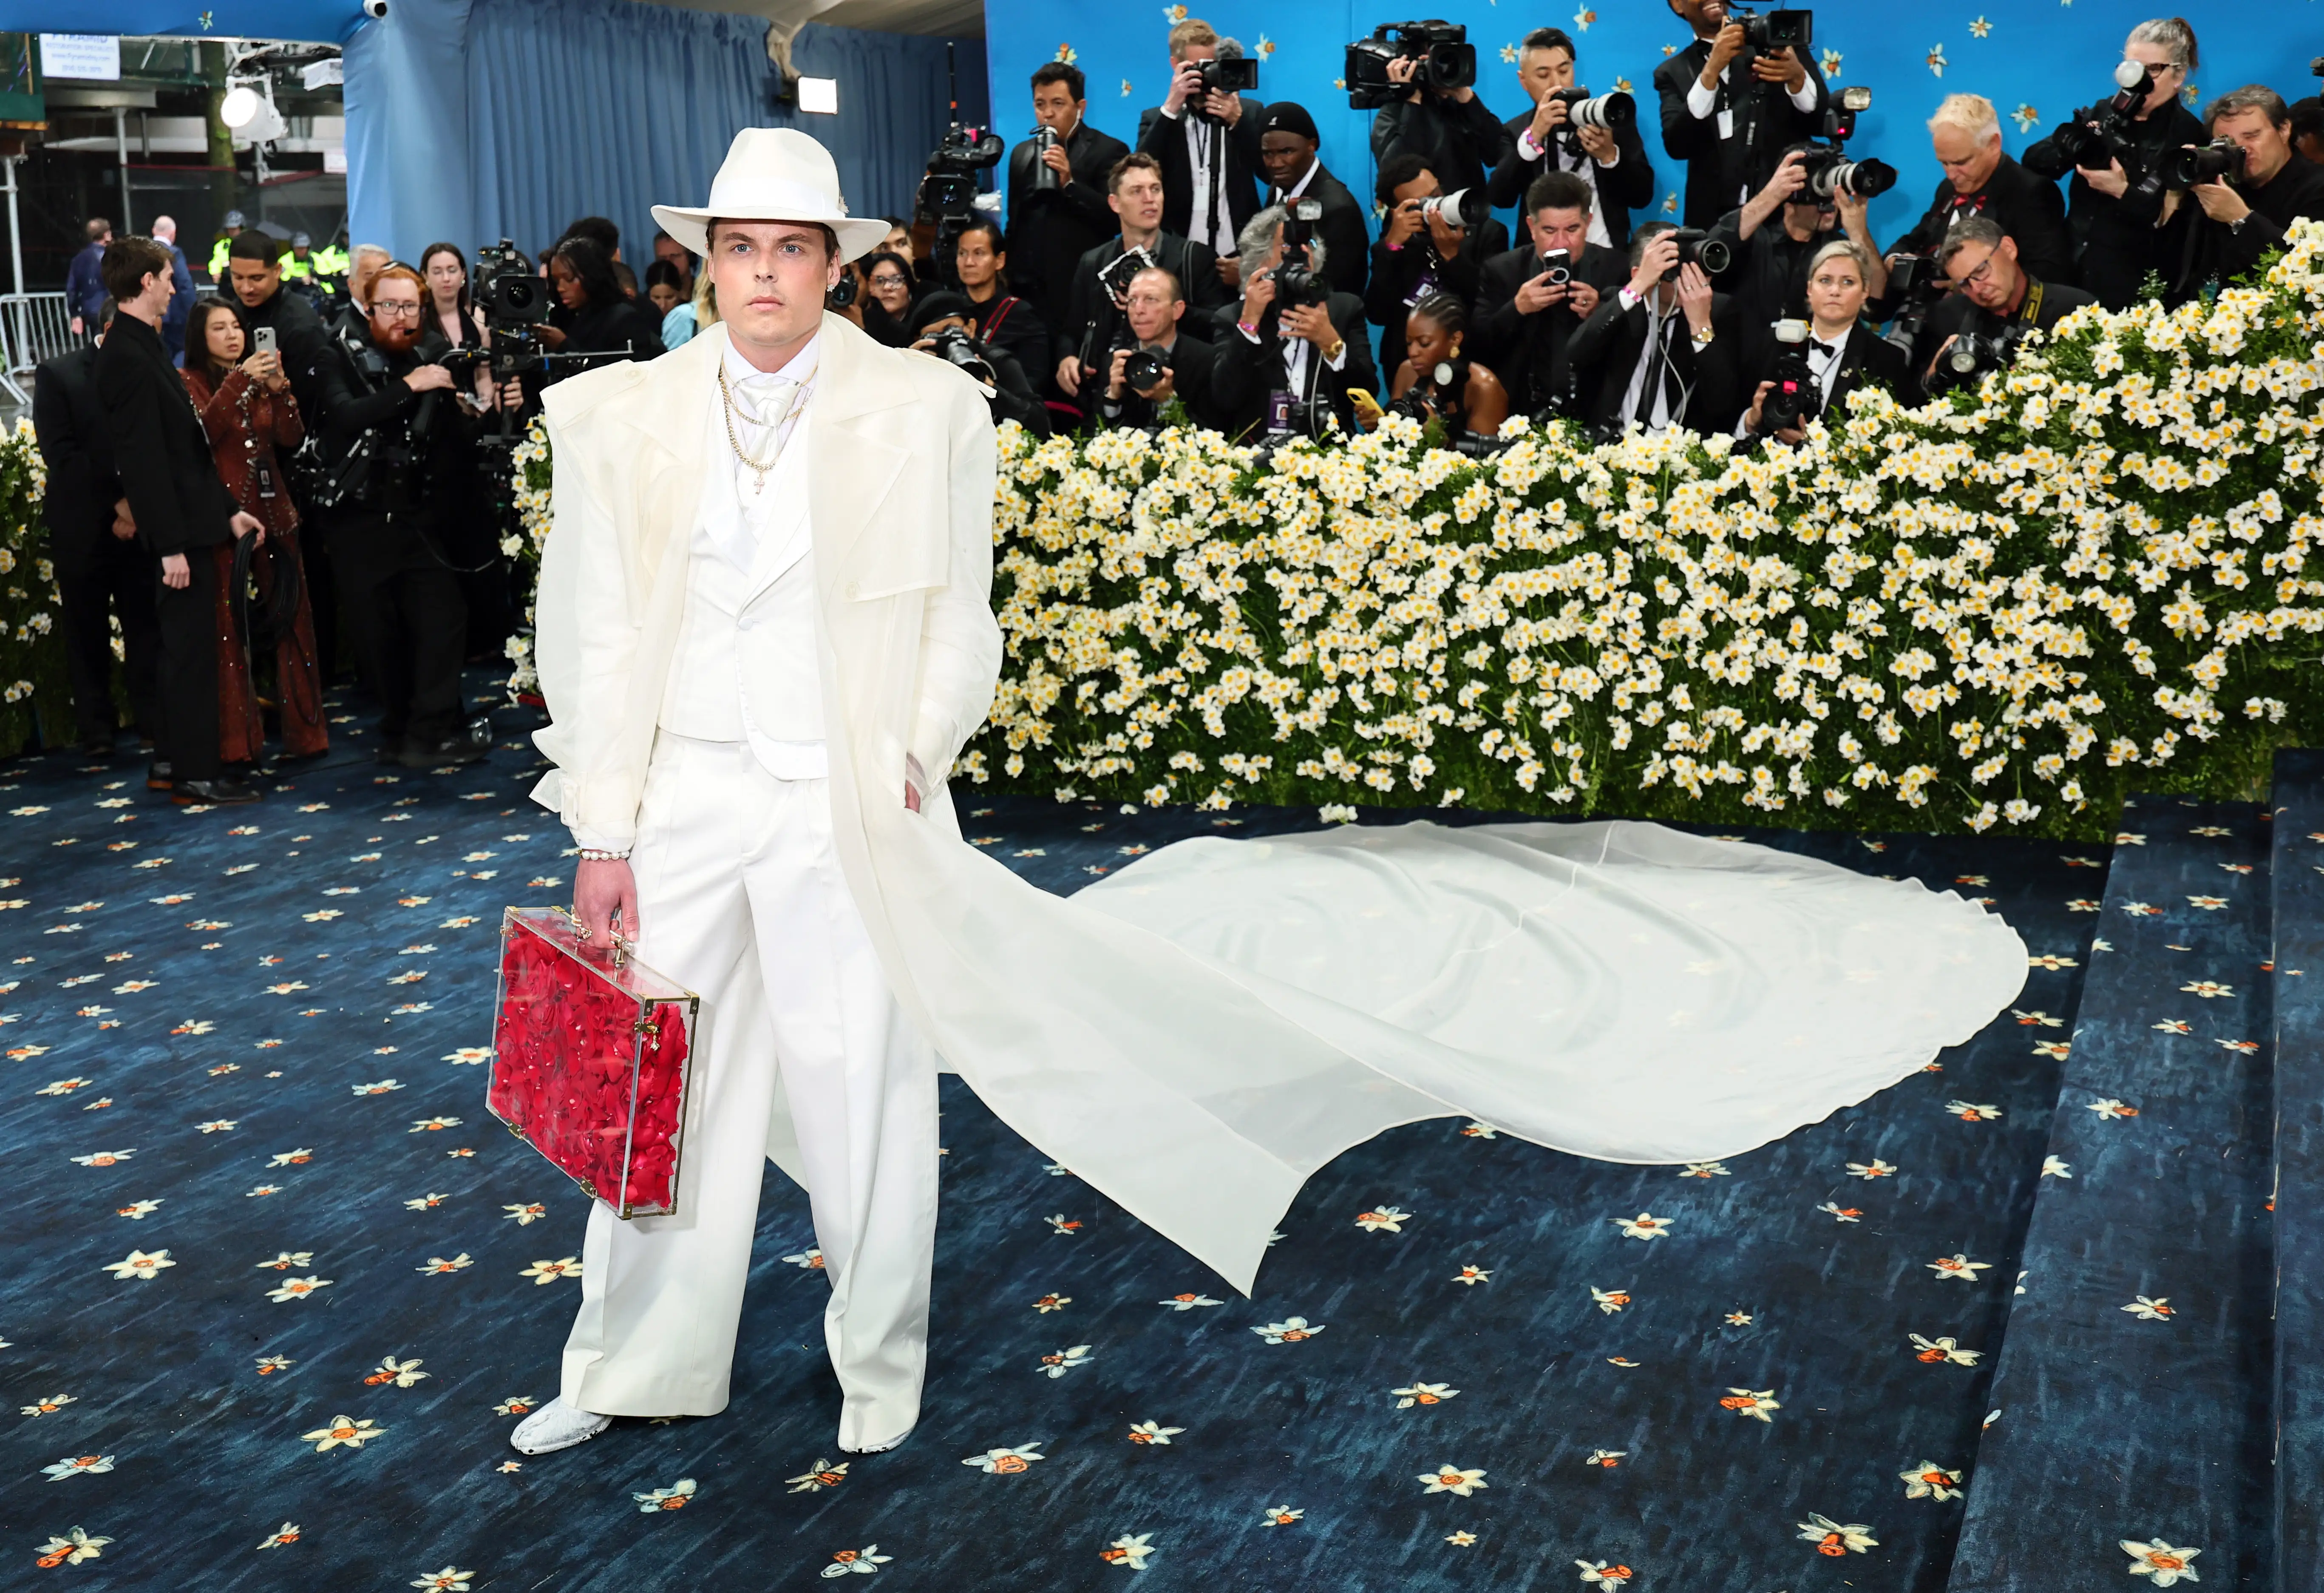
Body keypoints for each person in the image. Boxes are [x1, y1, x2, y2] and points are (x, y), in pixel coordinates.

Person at [513, 121, 2037, 1471]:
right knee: (643, 1090)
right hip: (682, 801)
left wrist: (911, 754)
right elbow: (587, 627)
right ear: (705, 261)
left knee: (861, 1089)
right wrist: (603, 824)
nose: (766, 272)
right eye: (741, 248)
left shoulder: (927, 411)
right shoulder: (616, 419)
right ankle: (625, 1365)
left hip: (851, 798)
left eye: (793, 248)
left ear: (832, 266)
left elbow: (952, 617)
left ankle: (876, 1370)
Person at [95, 235, 267, 805]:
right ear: (146, 282)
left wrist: (228, 511)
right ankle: (195, 772)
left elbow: (184, 451)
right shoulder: (126, 353)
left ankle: (175, 761)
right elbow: (143, 462)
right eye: (168, 277)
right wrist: (168, 545)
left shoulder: (142, 344)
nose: (174, 286)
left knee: (185, 653)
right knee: (188, 657)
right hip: (179, 540)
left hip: (195, 525)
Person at [303, 262, 484, 769]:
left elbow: (450, 440)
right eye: (390, 306)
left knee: (442, 620)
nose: (400, 317)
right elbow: (344, 416)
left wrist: (469, 411)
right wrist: (411, 386)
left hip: (415, 516)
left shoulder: (430, 352)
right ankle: (402, 728)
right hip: (356, 520)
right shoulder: (335, 351)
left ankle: (430, 732)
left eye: (410, 307)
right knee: (379, 637)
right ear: (368, 307)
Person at [180, 297, 327, 766]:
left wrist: (280, 390)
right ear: (199, 338)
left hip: (276, 512)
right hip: (226, 520)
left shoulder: (261, 380)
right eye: (219, 328)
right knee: (229, 630)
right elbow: (202, 434)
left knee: (294, 621)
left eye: (236, 327)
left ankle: (307, 736)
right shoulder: (189, 383)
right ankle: (239, 745)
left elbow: (290, 436)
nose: (232, 335)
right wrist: (241, 382)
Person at [31, 296, 161, 758]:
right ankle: (97, 729)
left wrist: (137, 507)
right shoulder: (60, 374)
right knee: (87, 632)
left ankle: (154, 721)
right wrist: (119, 503)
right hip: (83, 529)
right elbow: (61, 454)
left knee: (146, 627)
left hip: (140, 528)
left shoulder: (149, 374)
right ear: (108, 330)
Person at [2021, 18, 2205, 310]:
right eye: (2132, 69)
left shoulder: (2187, 136)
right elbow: (2034, 161)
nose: (2138, 82)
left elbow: (2169, 228)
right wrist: (2078, 146)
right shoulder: (2103, 111)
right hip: (2071, 271)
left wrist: (2122, 191)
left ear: (2179, 74)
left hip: (2131, 289)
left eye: (2153, 70)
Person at [1054, 153, 1230, 406]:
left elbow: (1218, 325)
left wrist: (1168, 310)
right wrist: (1067, 358)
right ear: (1114, 203)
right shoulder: (1093, 262)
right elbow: (1073, 328)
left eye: (1155, 190)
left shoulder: (1194, 258)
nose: (1149, 199)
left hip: (1178, 390)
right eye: (1137, 191)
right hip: (1107, 395)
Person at [1653, 0, 1829, 229]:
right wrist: (1711, 71)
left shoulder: (1778, 45)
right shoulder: (1671, 72)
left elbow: (1819, 121)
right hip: (1714, 227)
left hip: (1786, 220)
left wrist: (1798, 80)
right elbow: (1678, 145)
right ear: (1678, 5)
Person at [1212, 202, 1378, 439]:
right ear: (1261, 261)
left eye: (1307, 245)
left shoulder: (1344, 309)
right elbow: (1225, 399)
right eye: (1288, 247)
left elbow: (1367, 392)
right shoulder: (1232, 318)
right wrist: (1249, 324)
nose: (1303, 255)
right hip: (1260, 460)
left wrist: (1332, 344)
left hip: (1331, 456)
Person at [1488, 26, 1656, 252]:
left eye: (1564, 70)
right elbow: (1501, 197)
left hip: (1606, 255)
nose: (1556, 83)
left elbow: (1642, 196)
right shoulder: (1516, 131)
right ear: (1524, 81)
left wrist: (1609, 157)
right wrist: (1534, 137)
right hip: (1541, 261)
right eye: (1543, 75)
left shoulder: (1608, 117)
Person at [1566, 221, 1738, 438]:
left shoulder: (1718, 312)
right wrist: (1636, 288)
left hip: (1679, 451)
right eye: (1673, 269)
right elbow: (1576, 354)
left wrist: (1701, 325)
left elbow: (1722, 402)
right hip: (1612, 442)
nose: (1687, 280)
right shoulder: (1621, 304)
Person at [1475, 170, 1624, 417]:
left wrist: (1602, 315)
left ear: (1589, 223)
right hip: (1520, 414)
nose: (1561, 242)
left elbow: (1636, 352)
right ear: (1532, 228)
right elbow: (1477, 348)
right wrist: (1516, 309)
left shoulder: (1616, 269)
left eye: (1572, 229)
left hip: (1595, 414)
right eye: (1550, 230)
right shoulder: (1502, 271)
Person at [1886, 94, 2073, 291]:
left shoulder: (2031, 192)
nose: (1950, 174)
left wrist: (1964, 289)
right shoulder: (1948, 188)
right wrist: (1895, 260)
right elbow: (1914, 240)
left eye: (1961, 163)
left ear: (1993, 145)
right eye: (1944, 163)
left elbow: (2047, 278)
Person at [1136, 18, 1266, 289]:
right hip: (1178, 257)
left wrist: (1238, 123)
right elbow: (1141, 171)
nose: (1206, 77)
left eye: (1212, 67)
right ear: (1176, 65)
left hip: (1236, 257)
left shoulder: (1249, 112)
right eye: (1198, 69)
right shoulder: (1157, 119)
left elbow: (1267, 172)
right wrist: (1172, 106)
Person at [1737, 239, 1907, 443]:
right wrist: (1751, 421)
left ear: (1865, 292)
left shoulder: (1886, 360)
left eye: (1848, 282)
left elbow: (1884, 443)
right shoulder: (1772, 343)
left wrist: (1811, 446)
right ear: (1810, 289)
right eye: (1825, 280)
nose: (1835, 291)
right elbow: (1727, 420)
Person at [1005, 61, 1132, 333]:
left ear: (1080, 108)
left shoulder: (1109, 150)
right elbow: (1014, 223)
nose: (1048, 114)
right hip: (1026, 296)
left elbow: (1115, 221)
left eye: (1058, 104)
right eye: (1040, 104)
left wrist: (1070, 184)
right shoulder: (1021, 154)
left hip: (1081, 293)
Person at [1706, 145, 1888, 331]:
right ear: (1793, 192)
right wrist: (1770, 196)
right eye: (1823, 191)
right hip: (1748, 355)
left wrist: (1859, 233)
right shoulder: (1753, 239)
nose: (1833, 201)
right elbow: (1705, 258)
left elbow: (1876, 307)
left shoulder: (1840, 251)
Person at [1364, 155, 1507, 385]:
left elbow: (1488, 304)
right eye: (1420, 204)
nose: (1433, 206)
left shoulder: (1487, 233)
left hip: (1469, 362)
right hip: (1409, 366)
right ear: (1397, 211)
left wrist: (1453, 256)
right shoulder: (1394, 243)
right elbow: (1377, 314)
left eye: (1436, 194)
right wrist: (1392, 248)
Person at [1914, 217, 2097, 396]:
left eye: (1980, 271)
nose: (1977, 288)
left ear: (2009, 249)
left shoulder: (2075, 309)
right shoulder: (1947, 317)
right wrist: (1930, 381)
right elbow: (1919, 404)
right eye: (1964, 284)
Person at [2179, 85, 2324, 298]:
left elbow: (2309, 274)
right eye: (2226, 142)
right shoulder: (2224, 185)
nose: (2241, 149)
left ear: (2284, 130)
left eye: (2252, 135)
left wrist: (2241, 219)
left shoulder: (2317, 187)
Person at [1368, 30, 1512, 200]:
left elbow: (1499, 155)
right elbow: (1394, 173)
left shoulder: (1463, 107)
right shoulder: (1394, 112)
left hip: (1467, 215)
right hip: (1416, 219)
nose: (1442, 68)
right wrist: (1412, 101)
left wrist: (1468, 99)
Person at [1255, 101, 1369, 299]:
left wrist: (1253, 274)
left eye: (1287, 152)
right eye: (1268, 154)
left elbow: (1341, 294)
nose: (1276, 164)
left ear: (1312, 146)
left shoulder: (1338, 209)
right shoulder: (1280, 188)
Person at [1092, 264, 1221, 432]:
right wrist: (1113, 397)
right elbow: (1093, 436)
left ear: (1177, 310)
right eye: (1132, 300)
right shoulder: (1115, 362)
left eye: (1150, 299)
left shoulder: (1207, 361)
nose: (1139, 310)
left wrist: (1168, 401)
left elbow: (1216, 438)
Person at [910, 290, 1050, 437]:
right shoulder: (914, 370)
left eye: (951, 329)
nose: (946, 341)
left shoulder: (996, 362)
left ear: (970, 328)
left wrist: (988, 385)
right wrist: (907, 368)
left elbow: (1040, 424)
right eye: (933, 335)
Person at [1383, 292, 1509, 446]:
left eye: (1424, 343)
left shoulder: (1483, 387)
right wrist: (1377, 424)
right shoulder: (1406, 371)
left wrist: (1441, 441)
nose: (1413, 352)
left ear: (1455, 339)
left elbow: (1487, 464)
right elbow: (1393, 443)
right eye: (1409, 343)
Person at [949, 216, 1051, 388]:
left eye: (979, 253)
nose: (968, 263)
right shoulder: (949, 311)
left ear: (1000, 260)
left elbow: (1034, 380)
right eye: (962, 254)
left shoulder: (1021, 314)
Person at [539, 236, 662, 374]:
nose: (561, 288)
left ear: (592, 275)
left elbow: (625, 379)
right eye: (556, 281)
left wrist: (565, 347)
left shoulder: (624, 319)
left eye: (569, 279)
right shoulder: (563, 319)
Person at [147, 215, 197, 363]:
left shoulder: (142, 253)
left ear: (154, 231)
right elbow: (184, 285)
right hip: (174, 318)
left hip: (149, 314)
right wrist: (194, 313)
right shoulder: (174, 253)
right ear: (173, 233)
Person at [858, 250, 920, 347]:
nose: (887, 287)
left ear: (909, 285)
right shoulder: (859, 322)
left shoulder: (922, 323)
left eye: (896, 280)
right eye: (879, 281)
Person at [67, 218, 112, 338]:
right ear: (106, 235)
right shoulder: (114, 256)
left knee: (98, 343)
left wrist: (75, 314)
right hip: (113, 309)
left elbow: (71, 290)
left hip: (91, 310)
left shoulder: (78, 259)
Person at [206, 210, 245, 284]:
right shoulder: (221, 245)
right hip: (226, 283)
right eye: (230, 229)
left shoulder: (249, 243)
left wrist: (230, 264)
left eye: (235, 229)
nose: (232, 231)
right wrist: (215, 273)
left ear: (241, 228)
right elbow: (216, 261)